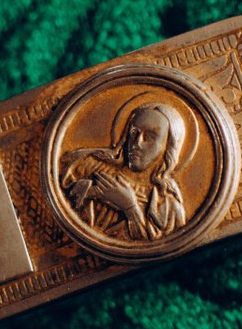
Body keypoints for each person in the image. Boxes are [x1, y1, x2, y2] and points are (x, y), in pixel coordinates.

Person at [60, 95, 191, 239]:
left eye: (149, 136)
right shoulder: (91, 166)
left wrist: (130, 207)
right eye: (134, 133)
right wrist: (89, 191)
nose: (137, 143)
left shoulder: (168, 201)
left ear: (168, 146)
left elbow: (158, 244)